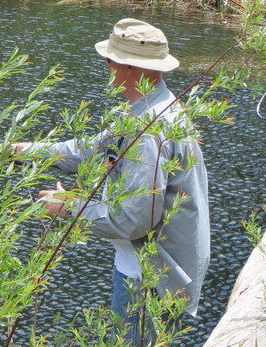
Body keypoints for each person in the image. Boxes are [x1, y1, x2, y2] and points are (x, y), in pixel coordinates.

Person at [11, 18, 210, 346]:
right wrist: (23, 151)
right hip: (160, 272)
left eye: (109, 61)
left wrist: (72, 210)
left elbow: (134, 220)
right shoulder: (153, 109)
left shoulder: (147, 129)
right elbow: (90, 150)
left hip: (147, 279)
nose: (107, 68)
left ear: (129, 67)